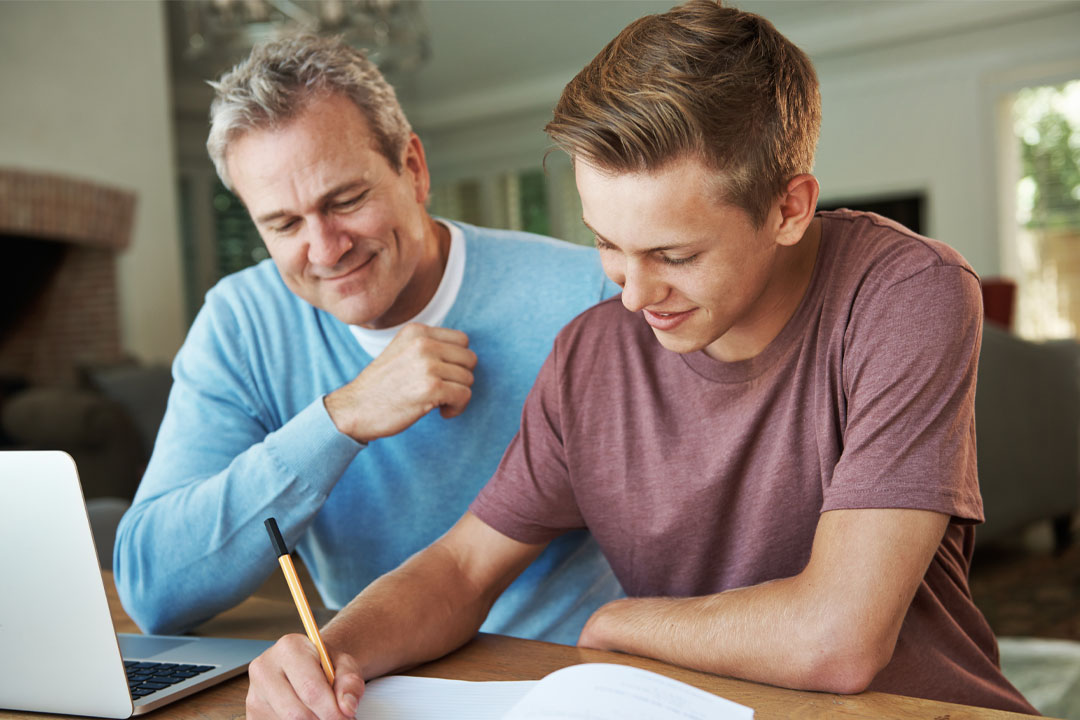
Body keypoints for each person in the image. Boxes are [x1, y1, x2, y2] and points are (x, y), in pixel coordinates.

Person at [244, 3, 1038, 718]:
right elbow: (459, 571)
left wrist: (621, 622)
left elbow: (837, 639)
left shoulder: (908, 294)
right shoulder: (592, 353)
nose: (633, 296)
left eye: (673, 253)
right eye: (607, 244)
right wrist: (331, 654)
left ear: (790, 207)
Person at [111, 34, 625, 646]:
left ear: (413, 168)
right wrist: (339, 419)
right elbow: (153, 591)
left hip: (556, 674)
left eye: (346, 200)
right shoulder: (241, 323)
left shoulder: (588, 292)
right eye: (284, 223)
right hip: (367, 674)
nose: (326, 249)